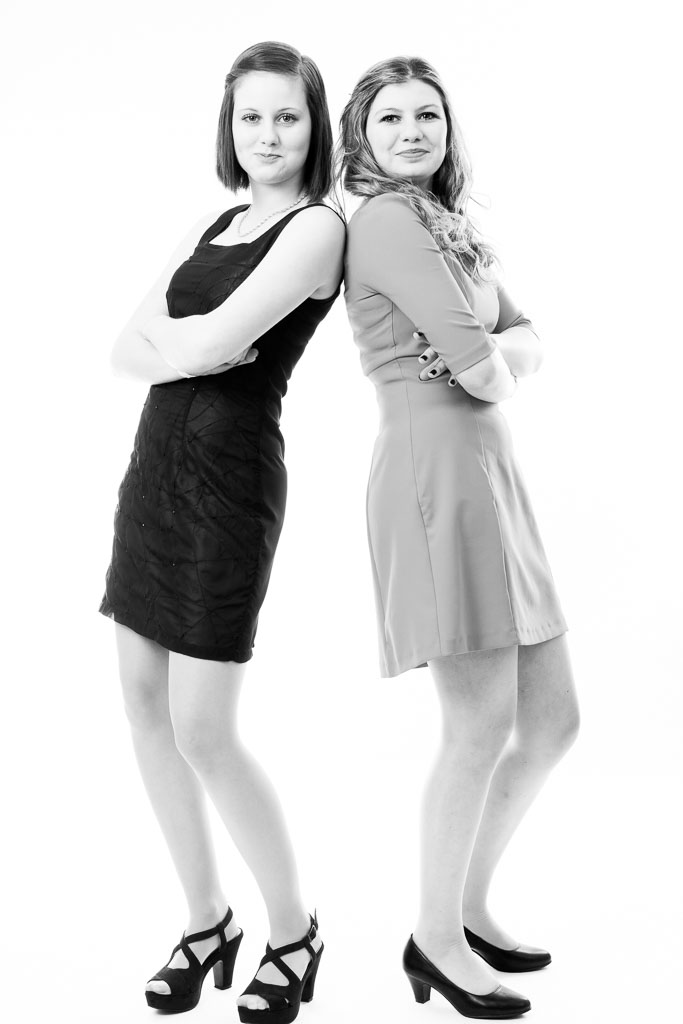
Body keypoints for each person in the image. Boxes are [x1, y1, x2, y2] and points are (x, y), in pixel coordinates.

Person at [99, 41, 345, 1024]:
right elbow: (123, 348)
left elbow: (203, 340)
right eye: (251, 116)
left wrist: (176, 342)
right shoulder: (215, 221)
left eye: (286, 116)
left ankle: (294, 929)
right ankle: (206, 921)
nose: (268, 135)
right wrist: (183, 346)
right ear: (229, 126)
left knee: (203, 728)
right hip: (153, 470)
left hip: (229, 483)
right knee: (142, 703)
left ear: (313, 126)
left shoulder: (317, 228)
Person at [339, 56, 579, 1019]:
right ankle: (433, 940)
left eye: (426, 115)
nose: (411, 131)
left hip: (491, 475)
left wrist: (499, 355)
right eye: (389, 117)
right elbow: (481, 372)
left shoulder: (448, 223)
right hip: (433, 474)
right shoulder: (385, 222)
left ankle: (466, 910)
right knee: (477, 724)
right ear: (360, 136)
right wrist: (495, 359)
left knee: (551, 720)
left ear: (447, 128)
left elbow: (524, 340)